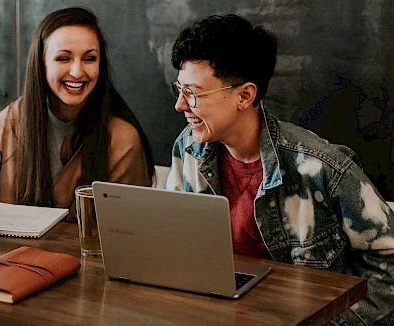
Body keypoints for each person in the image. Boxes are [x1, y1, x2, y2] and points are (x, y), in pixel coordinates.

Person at [165, 14, 394, 325]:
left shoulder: (320, 166)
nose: (180, 105)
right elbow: (171, 243)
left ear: (244, 96)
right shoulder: (189, 148)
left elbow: (388, 261)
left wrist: (333, 322)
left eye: (192, 93)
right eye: (178, 89)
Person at [0, 7, 154, 221]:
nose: (77, 72)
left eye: (89, 58)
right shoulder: (13, 119)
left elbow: (131, 230)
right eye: (63, 58)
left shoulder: (122, 139)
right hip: (9, 253)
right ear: (41, 64)